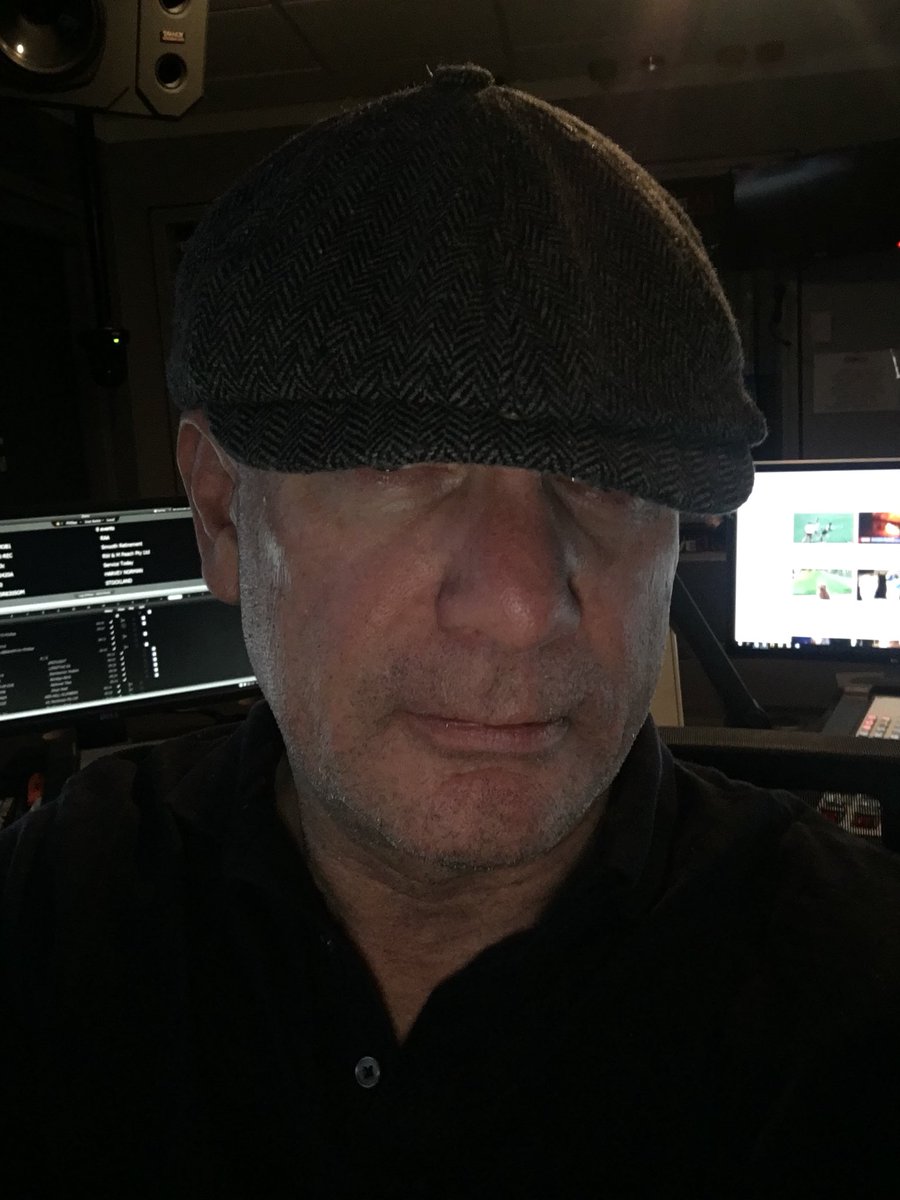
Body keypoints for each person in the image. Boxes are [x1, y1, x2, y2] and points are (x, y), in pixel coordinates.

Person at [1, 64, 899, 1199]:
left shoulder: (857, 998)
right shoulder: (53, 921)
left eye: (607, 480)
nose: (521, 603)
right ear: (223, 512)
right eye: (398, 464)